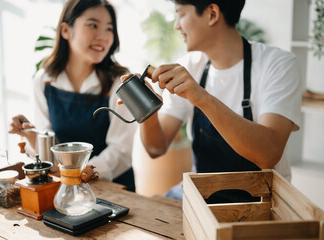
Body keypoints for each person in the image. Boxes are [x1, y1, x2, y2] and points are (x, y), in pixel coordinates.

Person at [125, 0, 302, 202]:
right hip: (200, 196)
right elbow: (156, 148)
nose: (176, 25)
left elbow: (268, 154)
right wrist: (146, 110)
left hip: (261, 204)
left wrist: (202, 98)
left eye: (180, 14)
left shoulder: (279, 64)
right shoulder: (188, 66)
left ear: (212, 14)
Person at [9, 0, 137, 192]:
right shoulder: (45, 80)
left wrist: (79, 173)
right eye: (93, 25)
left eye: (109, 29)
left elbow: (121, 152)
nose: (103, 36)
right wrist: (33, 136)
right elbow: (49, 150)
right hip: (66, 187)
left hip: (113, 188)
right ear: (65, 31)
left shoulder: (120, 82)